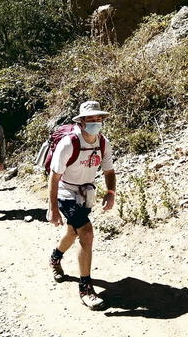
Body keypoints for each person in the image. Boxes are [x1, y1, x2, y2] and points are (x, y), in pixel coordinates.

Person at [47, 101, 116, 310]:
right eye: (91, 119)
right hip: (66, 192)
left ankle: (55, 258)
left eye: (98, 118)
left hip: (86, 194)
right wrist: (53, 208)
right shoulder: (69, 143)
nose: (95, 122)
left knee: (72, 232)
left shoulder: (103, 143)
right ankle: (86, 288)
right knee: (86, 232)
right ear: (82, 120)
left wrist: (110, 193)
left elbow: (109, 171)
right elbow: (54, 176)